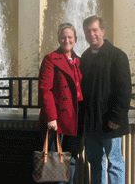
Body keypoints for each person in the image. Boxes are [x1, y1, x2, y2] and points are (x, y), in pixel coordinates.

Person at [80, 16, 131, 184]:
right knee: (95, 162)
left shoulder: (117, 56)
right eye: (88, 31)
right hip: (92, 122)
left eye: (95, 30)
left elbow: (124, 90)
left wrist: (117, 118)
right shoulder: (85, 57)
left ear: (102, 31)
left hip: (111, 123)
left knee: (114, 162)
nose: (91, 34)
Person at [37, 23, 84, 184]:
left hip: (75, 119)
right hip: (58, 121)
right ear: (58, 39)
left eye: (70, 37)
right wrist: (51, 117)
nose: (67, 40)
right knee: (56, 163)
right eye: (63, 37)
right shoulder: (51, 59)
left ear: (75, 39)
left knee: (70, 160)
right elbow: (45, 90)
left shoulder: (79, 61)